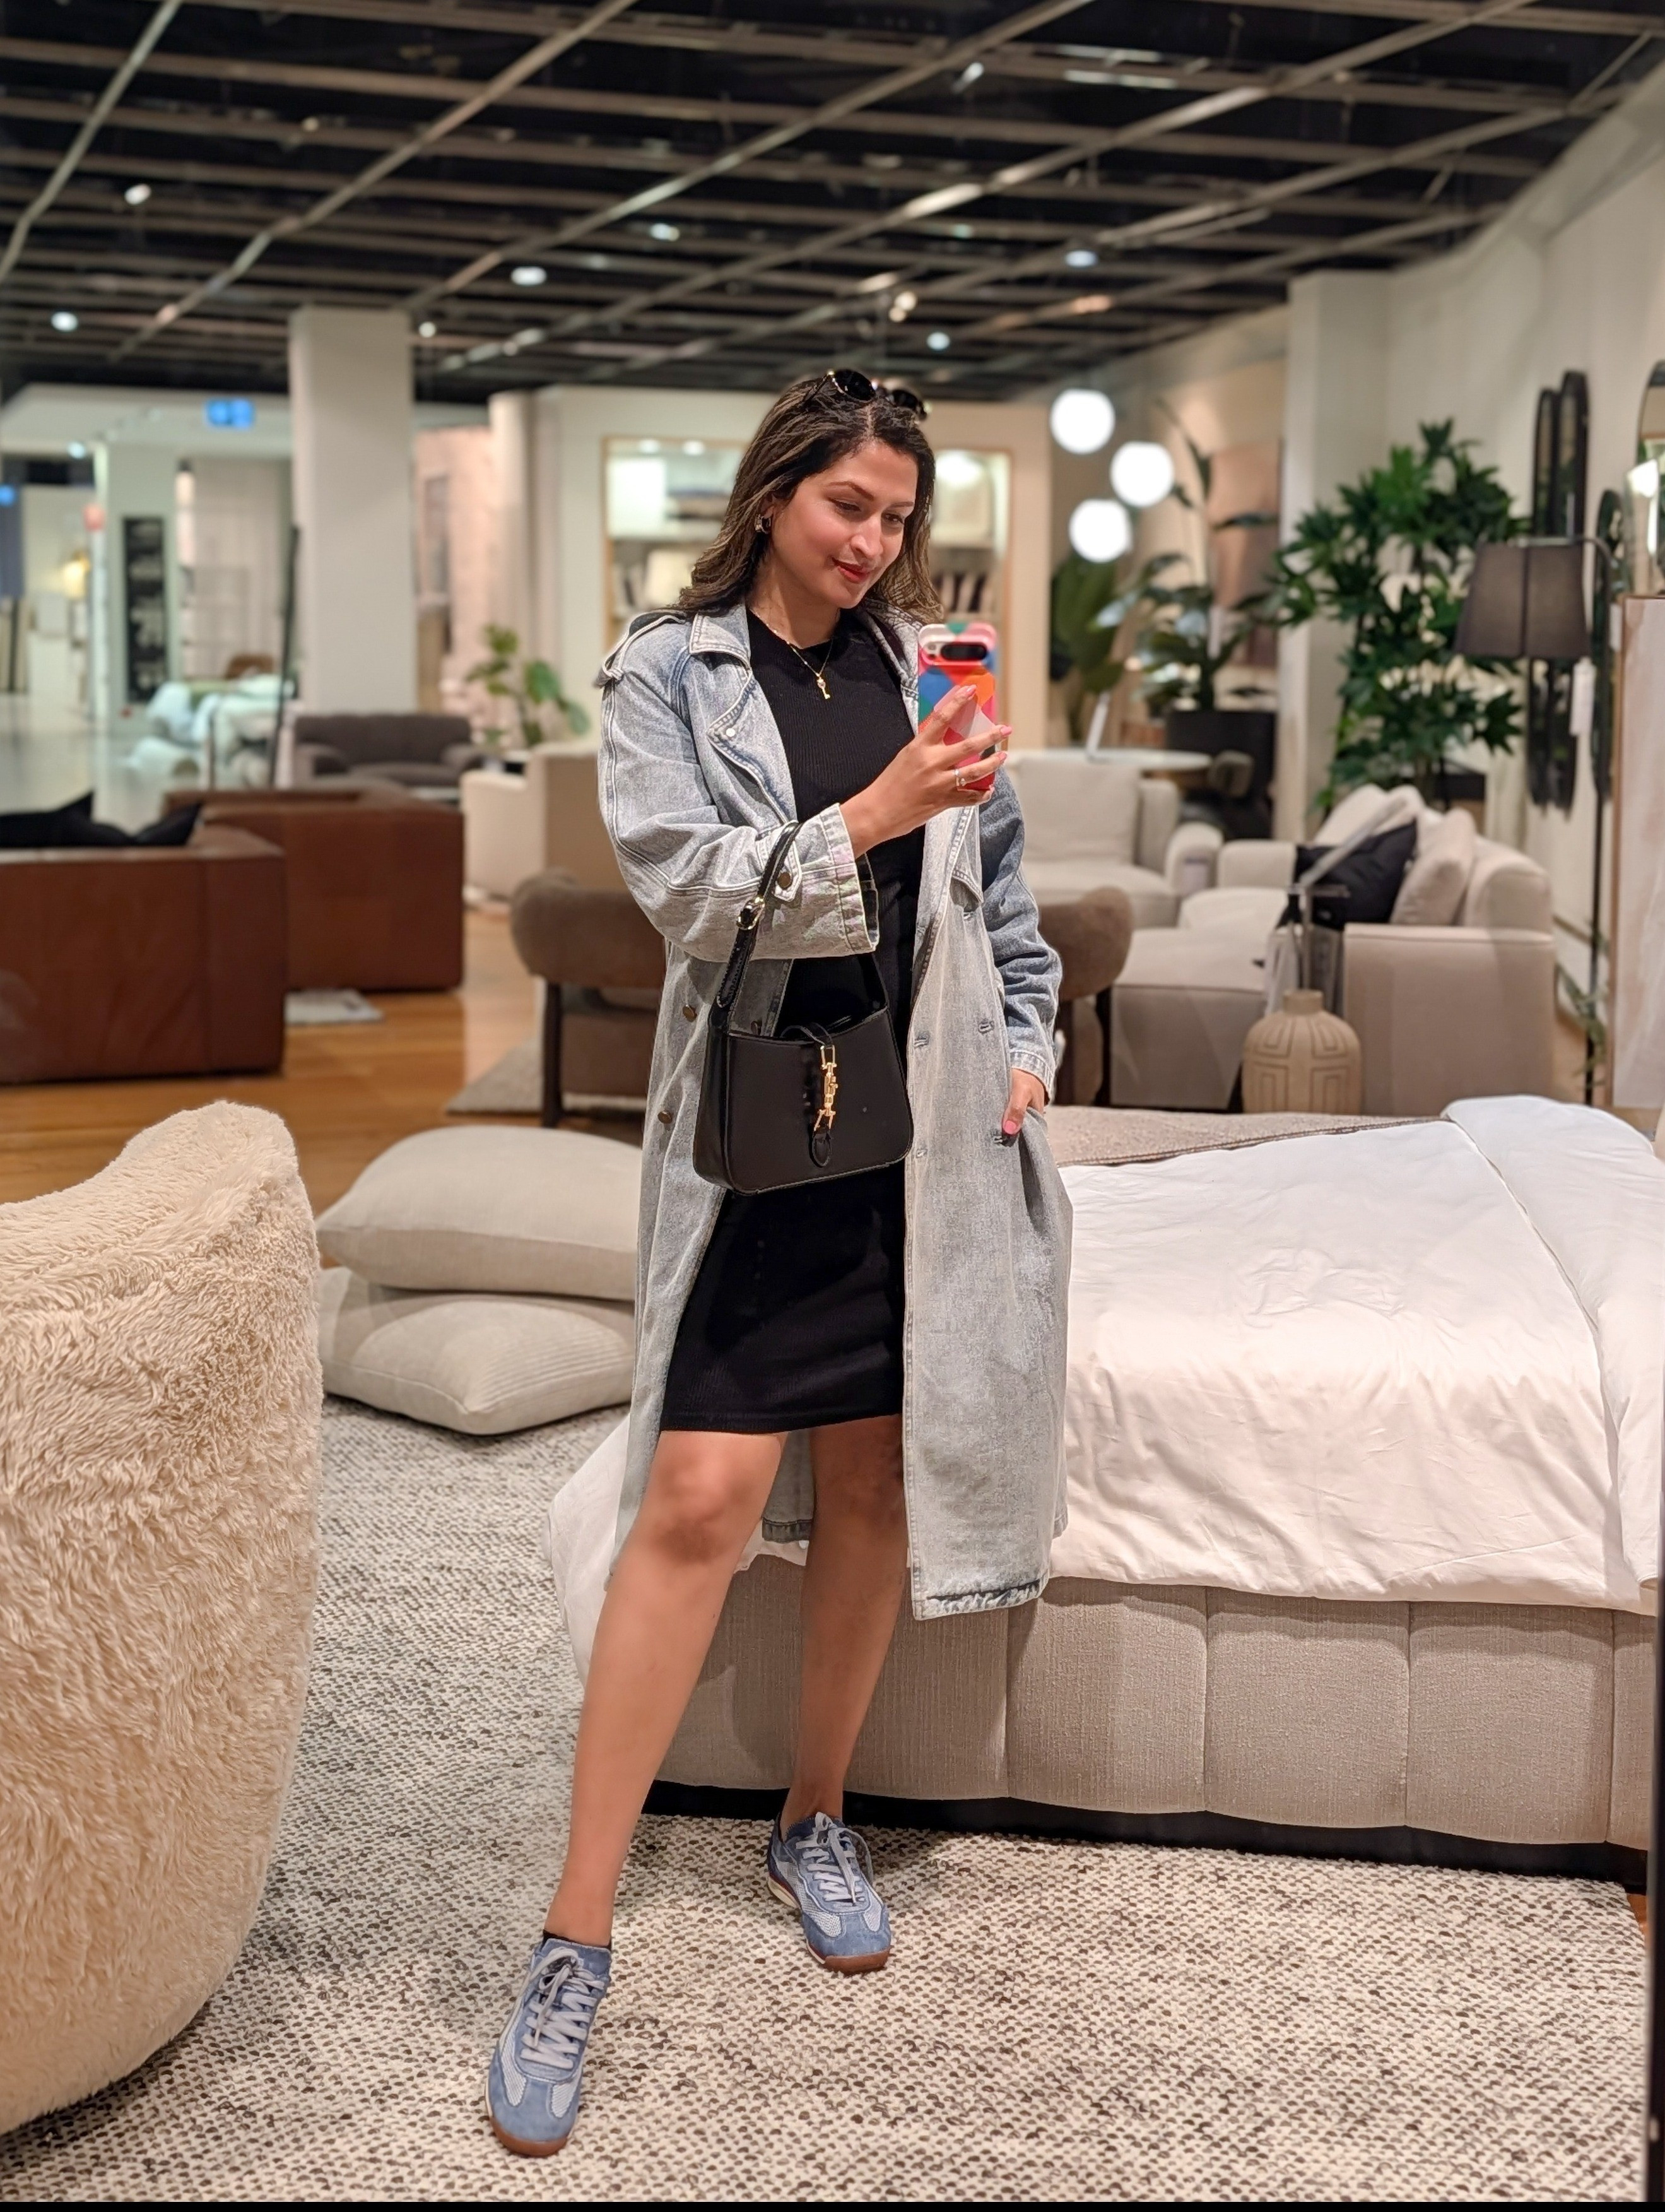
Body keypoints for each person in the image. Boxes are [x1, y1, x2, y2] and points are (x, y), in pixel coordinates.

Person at [486, 369, 1071, 2157]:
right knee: (699, 1500)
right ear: (772, 497)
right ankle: (574, 1932)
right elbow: (690, 891)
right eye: (846, 506)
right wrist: (873, 813)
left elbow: (1003, 888)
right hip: (765, 1131)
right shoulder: (670, 674)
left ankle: (814, 1817)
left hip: (927, 1139)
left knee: (879, 1486)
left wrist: (1030, 1033)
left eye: (897, 515)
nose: (873, 541)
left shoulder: (925, 666)